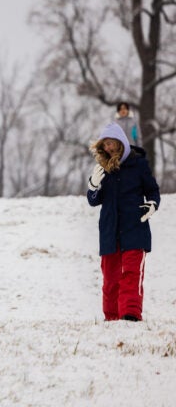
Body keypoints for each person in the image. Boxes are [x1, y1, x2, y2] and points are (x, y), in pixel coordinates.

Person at [87, 122, 160, 322]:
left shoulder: (139, 165)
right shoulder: (103, 169)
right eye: (105, 145)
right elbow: (93, 201)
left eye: (112, 143)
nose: (109, 148)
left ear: (121, 143)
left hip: (135, 229)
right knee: (110, 279)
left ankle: (130, 316)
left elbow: (152, 190)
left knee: (131, 274)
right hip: (110, 232)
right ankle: (111, 319)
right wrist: (93, 186)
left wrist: (153, 204)